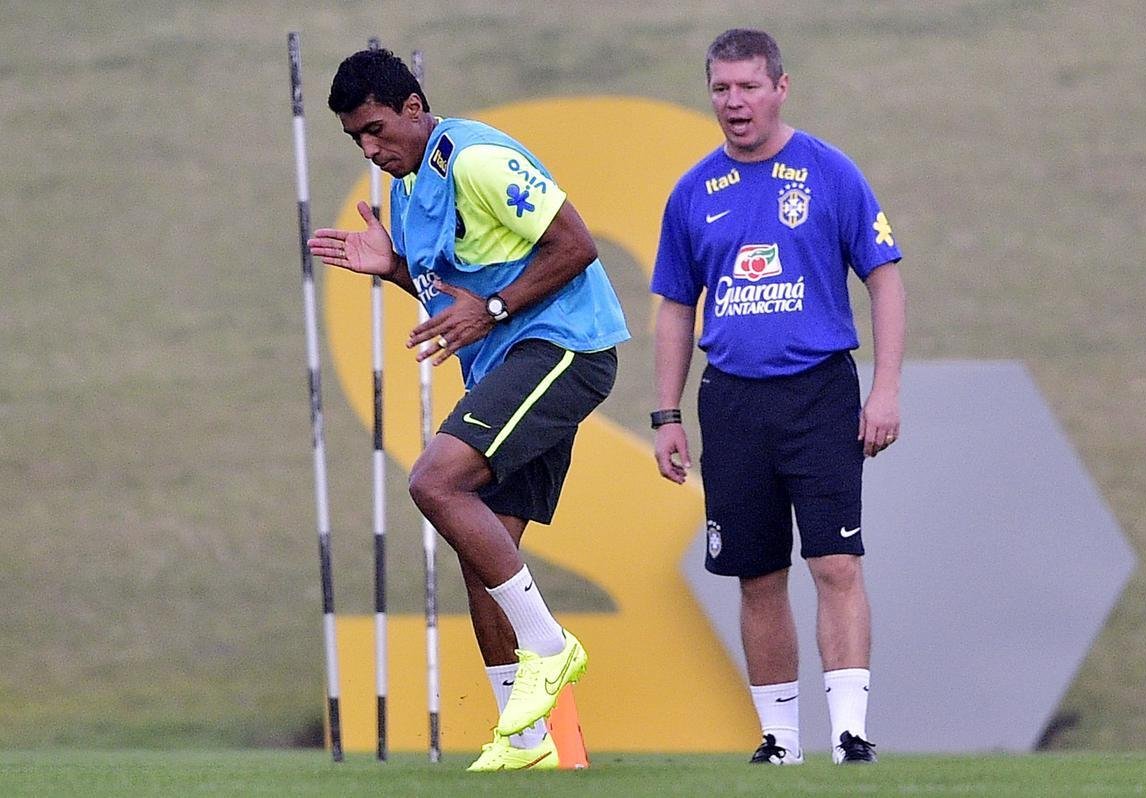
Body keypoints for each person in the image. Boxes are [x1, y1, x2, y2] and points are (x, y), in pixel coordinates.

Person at [307, 48, 630, 771]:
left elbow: (575, 246)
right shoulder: (407, 190)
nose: (370, 148)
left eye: (379, 129)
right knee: (481, 552)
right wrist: (391, 266)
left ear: (416, 108)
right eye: (357, 138)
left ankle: (551, 646)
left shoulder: (478, 158)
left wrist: (493, 307)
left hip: (566, 349)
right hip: (508, 361)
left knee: (433, 483)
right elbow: (449, 300)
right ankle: (530, 746)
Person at [651, 28, 905, 766]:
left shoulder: (830, 172)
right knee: (756, 573)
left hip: (820, 392)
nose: (735, 103)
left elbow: (883, 275)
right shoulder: (694, 190)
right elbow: (675, 304)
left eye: (749, 87)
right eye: (722, 89)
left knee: (835, 564)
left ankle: (851, 732)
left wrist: (884, 389)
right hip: (730, 402)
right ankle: (780, 739)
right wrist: (666, 413)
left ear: (780, 88)